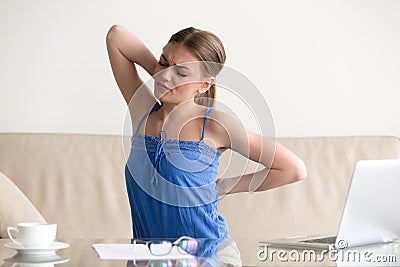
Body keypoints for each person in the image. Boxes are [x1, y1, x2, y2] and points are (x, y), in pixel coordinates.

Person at [106, 25, 307, 265]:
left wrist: (225, 186)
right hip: (149, 261)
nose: (166, 75)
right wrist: (163, 74)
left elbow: (293, 169)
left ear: (204, 85)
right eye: (163, 61)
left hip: (205, 258)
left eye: (182, 73)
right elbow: (116, 36)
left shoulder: (214, 124)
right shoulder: (142, 111)